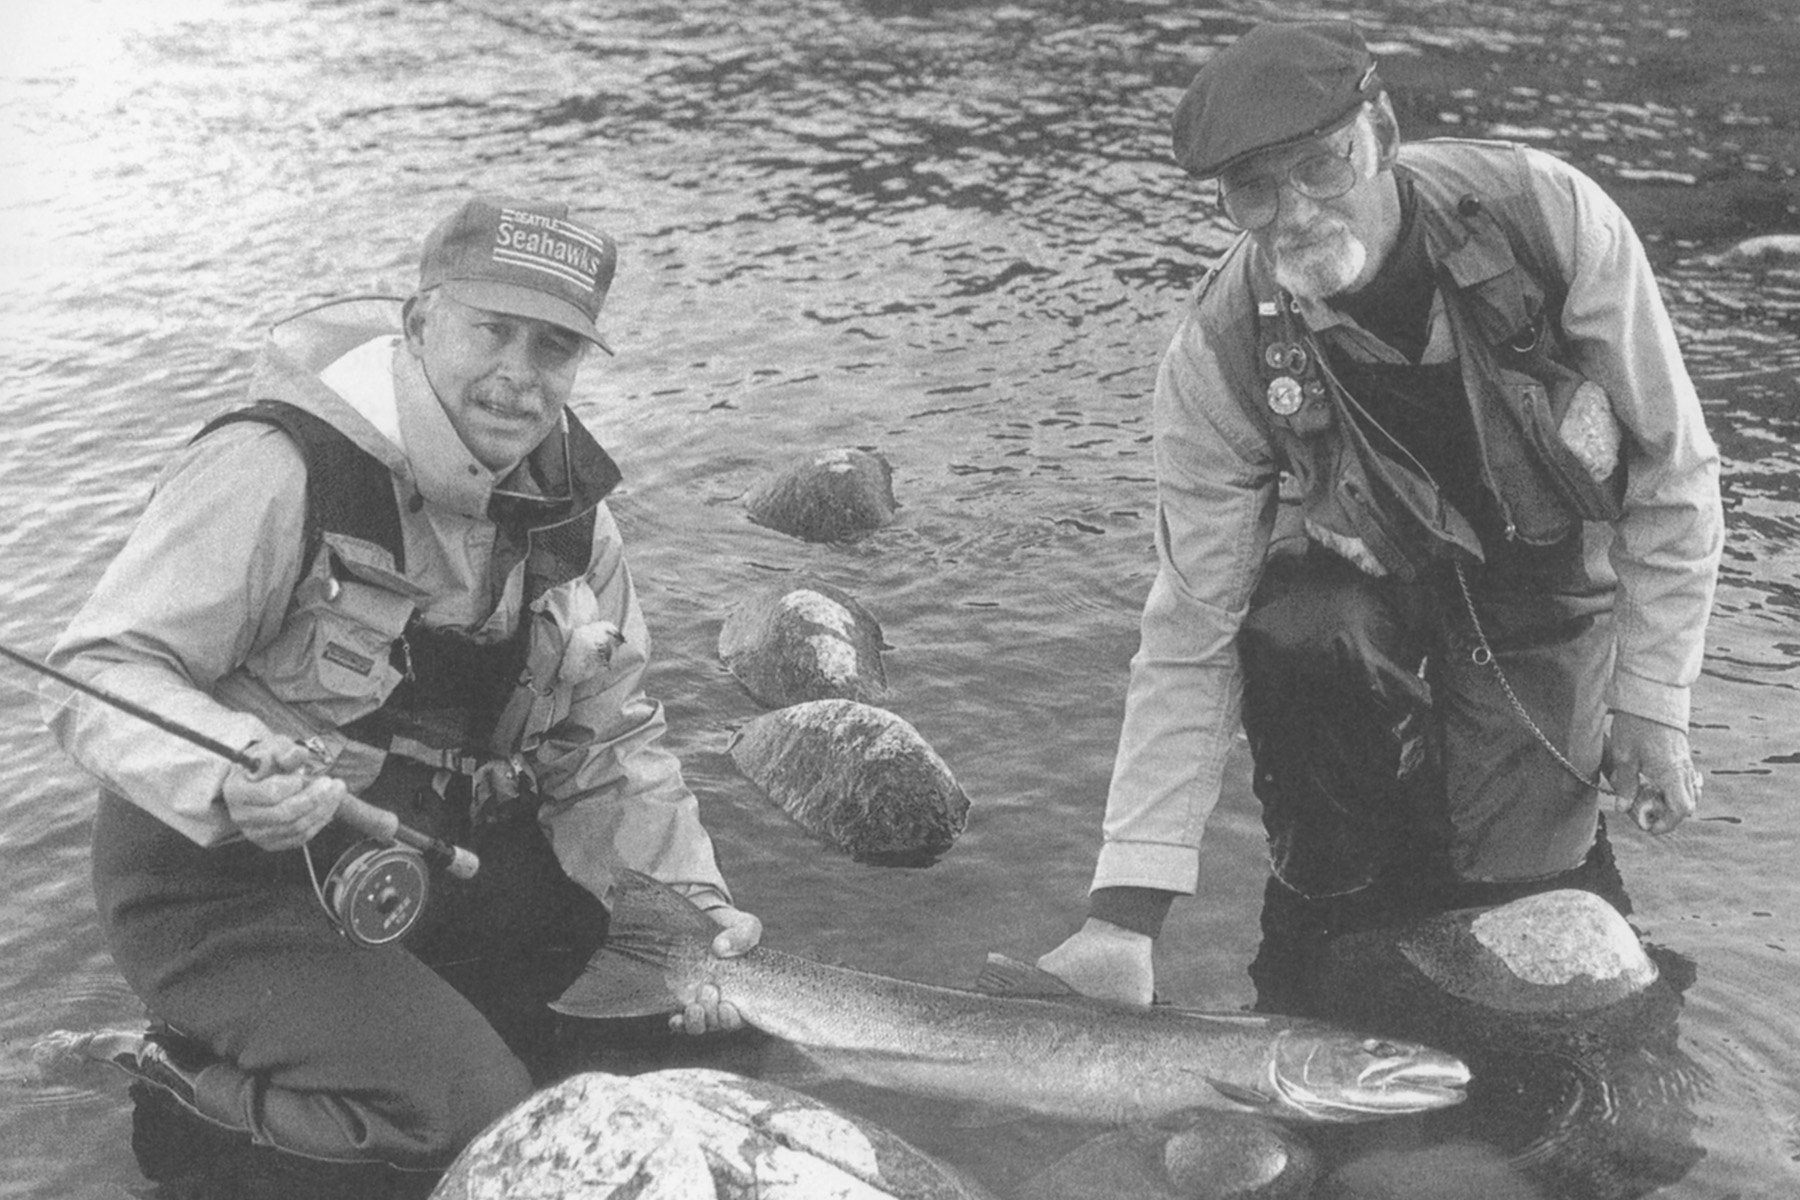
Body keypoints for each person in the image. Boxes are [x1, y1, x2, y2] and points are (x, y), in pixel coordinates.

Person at [44, 195, 761, 1196]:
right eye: (491, 330)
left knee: (686, 1034)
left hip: (419, 861)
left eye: (554, 347)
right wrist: (226, 770)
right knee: (463, 1121)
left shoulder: (574, 525)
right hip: (224, 886)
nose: (518, 376)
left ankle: (400, 1026)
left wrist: (688, 913)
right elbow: (95, 674)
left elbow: (613, 749)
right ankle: (177, 1081)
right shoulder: (275, 469)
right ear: (420, 323)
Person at [1037, 21, 1723, 1015]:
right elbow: (1189, 628)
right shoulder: (1220, 351)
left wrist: (1654, 705)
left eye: (1321, 165)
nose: (1293, 213)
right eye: (1251, 190)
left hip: (1544, 593)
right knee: (1300, 642)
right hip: (1360, 590)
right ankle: (1334, 913)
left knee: (1522, 896)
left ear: (1384, 134)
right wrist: (1127, 915)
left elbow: (1673, 471)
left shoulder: (1553, 220)